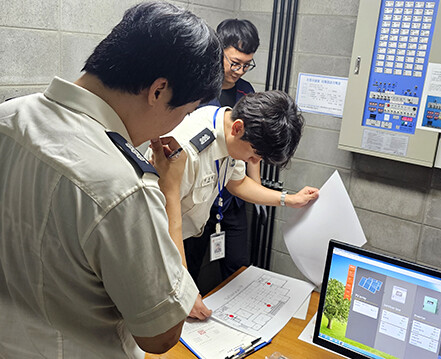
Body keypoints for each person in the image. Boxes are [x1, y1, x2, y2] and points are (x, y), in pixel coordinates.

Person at [0, 2, 223, 358]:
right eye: (185, 112)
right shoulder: (125, 187)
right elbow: (161, 335)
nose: (179, 124)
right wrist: (169, 191)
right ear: (159, 91)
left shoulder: (9, 116)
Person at [149, 90, 320, 320]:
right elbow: (166, 220)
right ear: (238, 128)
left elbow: (237, 183)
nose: (254, 163)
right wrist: (184, 291)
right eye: (254, 156)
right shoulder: (188, 150)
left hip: (182, 234)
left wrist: (288, 199)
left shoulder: (226, 126)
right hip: (157, 243)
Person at [190, 19, 261, 289]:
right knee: (191, 265)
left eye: (246, 64)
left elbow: (253, 148)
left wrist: (257, 188)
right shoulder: (199, 89)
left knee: (238, 265)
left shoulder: (247, 93)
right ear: (219, 50)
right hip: (201, 196)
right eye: (234, 62)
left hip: (234, 193)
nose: (239, 70)